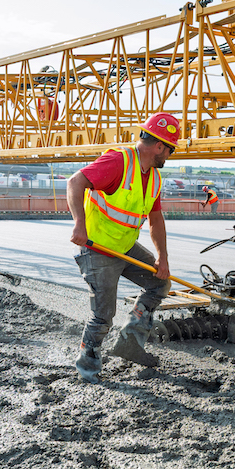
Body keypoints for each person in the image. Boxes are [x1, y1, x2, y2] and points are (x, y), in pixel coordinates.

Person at [66, 112, 176, 383]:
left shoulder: (153, 177)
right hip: (97, 249)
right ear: (159, 146)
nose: (170, 156)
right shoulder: (118, 161)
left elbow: (156, 219)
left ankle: (130, 341)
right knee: (103, 316)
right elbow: (75, 182)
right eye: (170, 150)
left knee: (159, 284)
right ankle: (87, 369)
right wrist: (79, 224)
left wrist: (161, 257)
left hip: (125, 248)